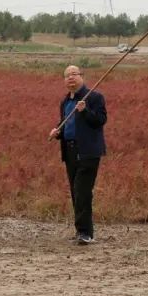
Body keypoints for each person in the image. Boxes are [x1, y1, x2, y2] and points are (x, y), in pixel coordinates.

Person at [48, 65, 107, 245]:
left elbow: (100, 120)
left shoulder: (94, 97)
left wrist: (85, 111)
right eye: (67, 76)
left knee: (82, 192)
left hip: (88, 152)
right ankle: (81, 231)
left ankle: (85, 233)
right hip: (70, 151)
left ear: (82, 77)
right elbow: (67, 124)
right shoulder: (66, 101)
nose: (70, 78)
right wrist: (57, 131)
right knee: (75, 192)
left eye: (74, 74)